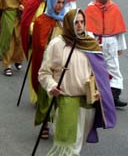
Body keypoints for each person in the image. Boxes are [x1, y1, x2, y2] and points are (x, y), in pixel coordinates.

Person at [38, 8, 116, 155]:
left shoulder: (90, 44)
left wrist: (98, 91)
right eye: (76, 22)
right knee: (67, 147)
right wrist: (52, 86)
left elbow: (99, 74)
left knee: (78, 144)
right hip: (67, 100)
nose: (80, 25)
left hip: (87, 102)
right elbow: (44, 73)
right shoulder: (57, 44)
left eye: (82, 22)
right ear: (68, 24)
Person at [85, 0, 128, 107]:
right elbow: (88, 29)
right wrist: (92, 44)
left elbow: (119, 29)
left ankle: (114, 96)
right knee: (95, 69)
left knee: (114, 69)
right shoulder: (91, 8)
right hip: (97, 42)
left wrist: (120, 46)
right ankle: (94, 95)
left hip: (111, 42)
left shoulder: (114, 8)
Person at [31, 0, 66, 139]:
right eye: (58, 2)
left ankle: (59, 124)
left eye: (62, 2)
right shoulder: (41, 21)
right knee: (45, 95)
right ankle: (44, 124)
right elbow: (39, 44)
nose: (60, 5)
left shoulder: (65, 21)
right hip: (46, 62)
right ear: (51, 1)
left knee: (61, 95)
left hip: (62, 63)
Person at [20, 0, 55, 104]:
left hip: (52, 44)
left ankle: (48, 95)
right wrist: (39, 29)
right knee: (36, 69)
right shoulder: (34, 3)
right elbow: (27, 23)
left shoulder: (57, 3)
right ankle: (36, 96)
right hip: (36, 42)